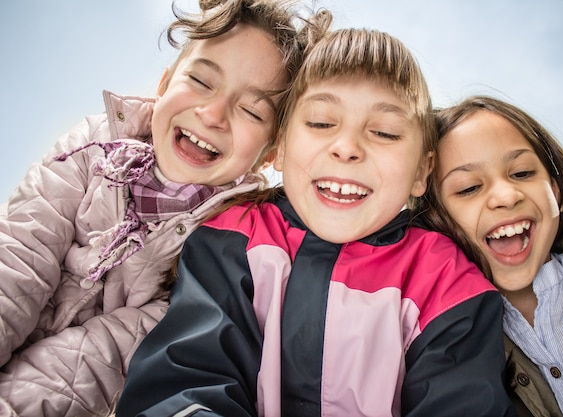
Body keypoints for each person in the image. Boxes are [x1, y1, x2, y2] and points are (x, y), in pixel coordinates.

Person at [115, 28, 516, 417]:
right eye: (322, 123)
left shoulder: (446, 281)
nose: (346, 148)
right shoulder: (232, 238)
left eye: (384, 132)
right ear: (282, 145)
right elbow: (185, 378)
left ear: (421, 171)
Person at [0, 0, 331, 415]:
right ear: (164, 83)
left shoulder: (232, 241)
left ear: (270, 153)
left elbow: (100, 359)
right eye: (200, 80)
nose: (212, 115)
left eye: (250, 110)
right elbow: (18, 259)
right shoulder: (91, 149)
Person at [428, 95, 563, 417]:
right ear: (436, 220)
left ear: (556, 191)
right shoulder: (451, 344)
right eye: (468, 188)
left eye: (521, 173)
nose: (506, 197)